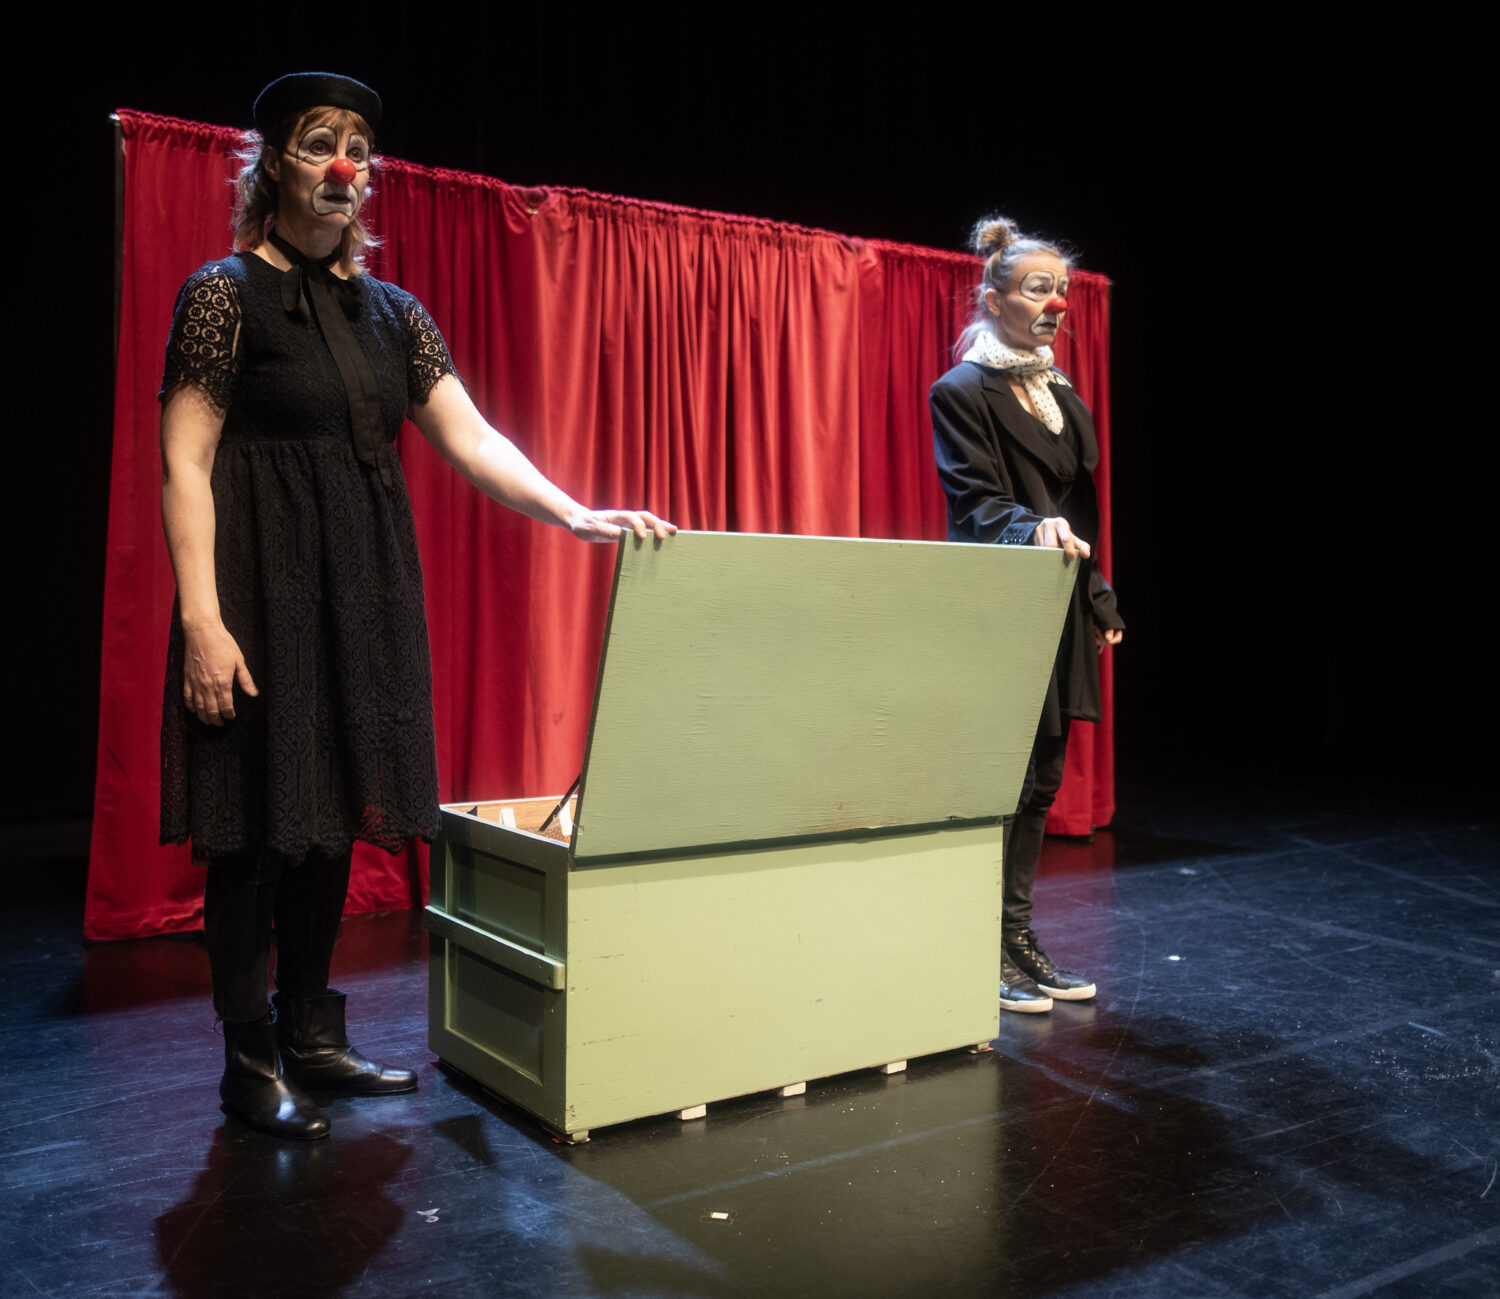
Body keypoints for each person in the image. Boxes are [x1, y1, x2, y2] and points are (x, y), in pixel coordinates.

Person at [159, 72, 674, 1138]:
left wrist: (575, 513)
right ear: (273, 165)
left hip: (362, 587)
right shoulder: (222, 293)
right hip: (258, 591)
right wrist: (202, 619)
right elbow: (186, 462)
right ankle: (248, 1064)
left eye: (357, 147)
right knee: (257, 830)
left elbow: (472, 438)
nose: (344, 164)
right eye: (318, 143)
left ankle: (312, 1035)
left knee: (330, 818)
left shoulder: (395, 314)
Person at [930, 216, 1124, 1014]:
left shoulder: (1061, 394)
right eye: (1040, 289)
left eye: (1063, 291)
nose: (1056, 305)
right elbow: (975, 503)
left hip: (1059, 597)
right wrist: (1030, 528)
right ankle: (979, 947)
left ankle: (1016, 938)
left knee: (1042, 779)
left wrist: (1100, 596)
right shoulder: (961, 391)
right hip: (999, 604)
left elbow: (1082, 507)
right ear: (995, 298)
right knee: (1002, 781)